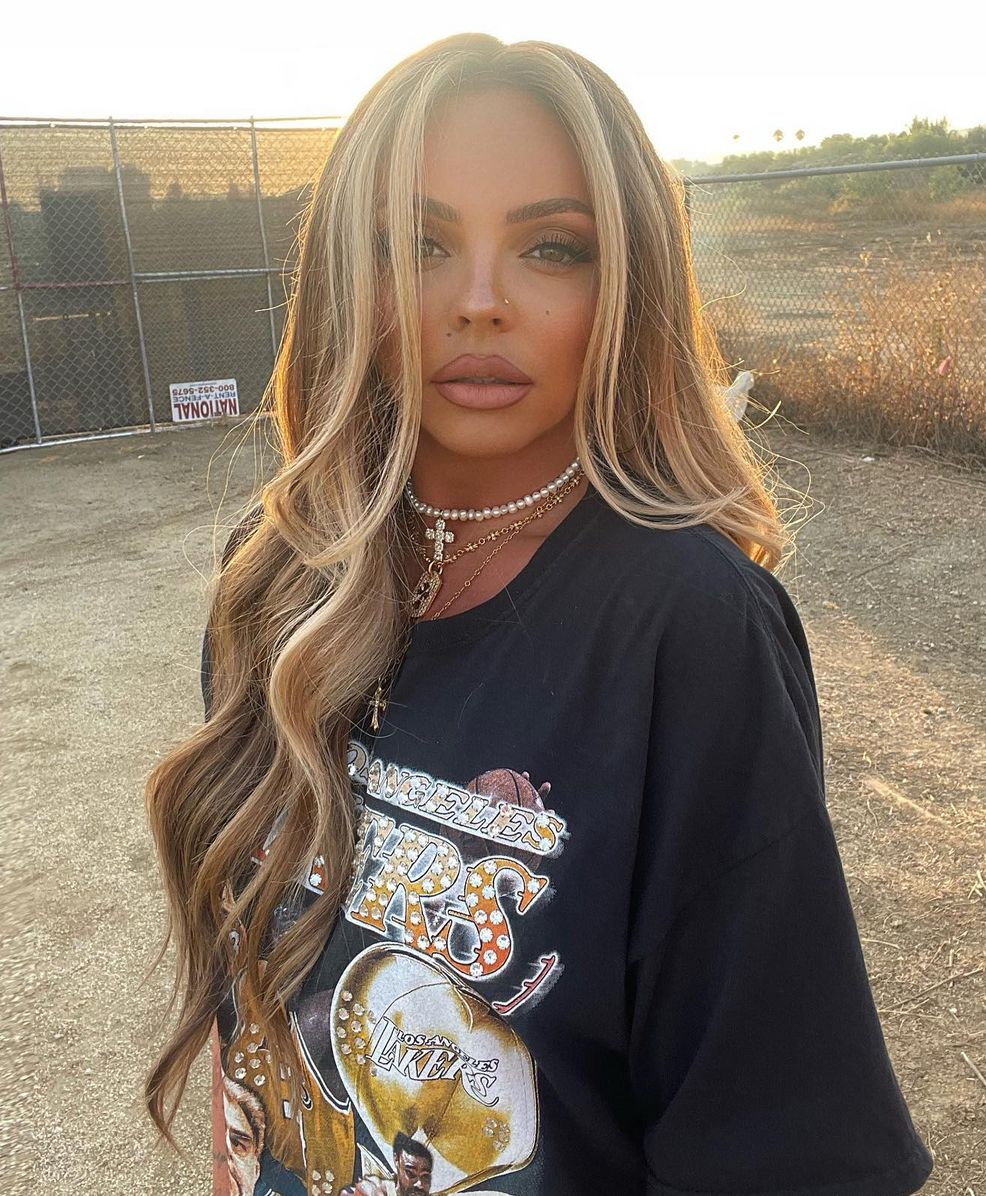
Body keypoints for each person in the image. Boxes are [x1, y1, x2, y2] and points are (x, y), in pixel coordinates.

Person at [143, 32, 934, 1196]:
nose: (478, 302)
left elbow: (787, 1153)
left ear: (627, 286)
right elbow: (248, 1003)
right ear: (347, 280)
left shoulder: (689, 629)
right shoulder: (277, 579)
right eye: (419, 242)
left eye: (551, 247)